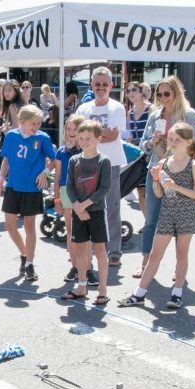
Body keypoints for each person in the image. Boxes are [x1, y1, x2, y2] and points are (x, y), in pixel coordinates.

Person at [119, 122, 195, 308]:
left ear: (189, 142)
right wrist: (157, 180)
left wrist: (175, 186)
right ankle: (138, 294)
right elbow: (159, 194)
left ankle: (177, 293)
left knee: (181, 254)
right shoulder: (163, 163)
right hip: (167, 212)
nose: (173, 143)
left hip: (186, 213)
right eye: (171, 139)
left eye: (177, 140)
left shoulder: (194, 166)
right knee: (155, 254)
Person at [135, 75, 195, 278]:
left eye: (167, 94)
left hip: (181, 173)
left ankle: (179, 270)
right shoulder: (155, 116)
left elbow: (194, 145)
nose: (163, 98)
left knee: (180, 222)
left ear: (176, 93)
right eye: (159, 94)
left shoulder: (188, 115)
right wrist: (153, 141)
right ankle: (146, 262)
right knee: (151, 219)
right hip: (156, 170)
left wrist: (175, 142)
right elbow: (142, 146)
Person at [0, 105, 55, 281]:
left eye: (38, 123)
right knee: (10, 225)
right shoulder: (12, 136)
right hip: (13, 186)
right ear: (22, 121)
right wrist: (0, 181)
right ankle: (24, 254)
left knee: (29, 227)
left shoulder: (42, 138)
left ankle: (29, 263)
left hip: (32, 188)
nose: (36, 127)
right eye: (33, 123)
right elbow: (6, 160)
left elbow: (53, 159)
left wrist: (45, 172)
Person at [76, 66, 128, 268]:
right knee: (88, 206)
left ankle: (114, 251)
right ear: (92, 85)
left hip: (111, 163)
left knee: (111, 207)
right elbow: (82, 137)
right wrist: (101, 134)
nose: (101, 88)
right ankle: (90, 249)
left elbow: (114, 135)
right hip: (87, 164)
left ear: (111, 86)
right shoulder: (83, 109)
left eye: (104, 84)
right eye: (97, 84)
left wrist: (92, 135)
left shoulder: (117, 108)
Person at [61, 120, 112, 305]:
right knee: (81, 250)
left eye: (88, 138)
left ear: (98, 139)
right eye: (81, 138)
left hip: (96, 211)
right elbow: (69, 186)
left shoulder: (103, 161)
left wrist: (85, 205)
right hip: (79, 212)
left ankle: (102, 290)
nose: (84, 141)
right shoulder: (74, 160)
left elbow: (104, 188)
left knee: (99, 250)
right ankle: (82, 285)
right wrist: (76, 206)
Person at [54, 114, 97, 285]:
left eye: (75, 129)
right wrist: (56, 197)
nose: (71, 132)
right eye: (68, 129)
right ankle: (74, 266)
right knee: (71, 231)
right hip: (66, 191)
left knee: (86, 233)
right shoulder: (61, 151)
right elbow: (57, 176)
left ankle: (87, 268)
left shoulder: (87, 151)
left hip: (84, 192)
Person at [126, 81, 152, 218]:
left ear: (142, 92)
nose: (131, 93)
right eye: (128, 91)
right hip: (139, 156)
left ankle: (157, 224)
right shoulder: (130, 113)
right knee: (141, 190)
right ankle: (148, 223)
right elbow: (129, 136)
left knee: (153, 191)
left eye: (134, 90)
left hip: (152, 153)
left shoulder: (152, 109)